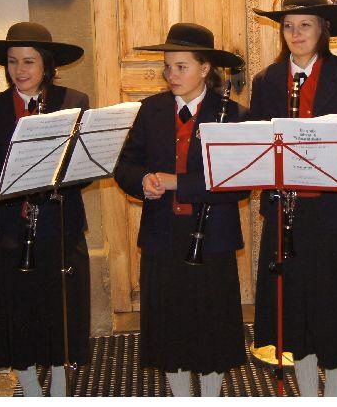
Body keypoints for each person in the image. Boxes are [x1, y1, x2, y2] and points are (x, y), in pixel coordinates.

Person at [249, 0, 337, 397]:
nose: (295, 34)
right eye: (288, 26)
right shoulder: (267, 80)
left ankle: (334, 396)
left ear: (323, 29)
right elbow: (256, 147)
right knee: (296, 318)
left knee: (335, 315)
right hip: (287, 219)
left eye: (305, 25)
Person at [113, 23, 248, 397]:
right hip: (163, 236)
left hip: (213, 238)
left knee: (212, 328)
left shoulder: (232, 114)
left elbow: (238, 184)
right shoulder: (150, 110)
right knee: (169, 328)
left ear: (205, 68)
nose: (171, 75)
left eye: (181, 67)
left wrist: (177, 182)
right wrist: (142, 180)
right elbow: (125, 164)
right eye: (167, 67)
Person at [0, 22, 90, 397]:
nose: (20, 70)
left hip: (58, 226)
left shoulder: (73, 101)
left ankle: (61, 382)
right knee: (16, 312)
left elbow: (84, 163)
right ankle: (29, 383)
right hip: (6, 231)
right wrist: (7, 189)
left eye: (29, 61)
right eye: (13, 61)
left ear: (47, 65)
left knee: (60, 309)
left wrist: (57, 180)